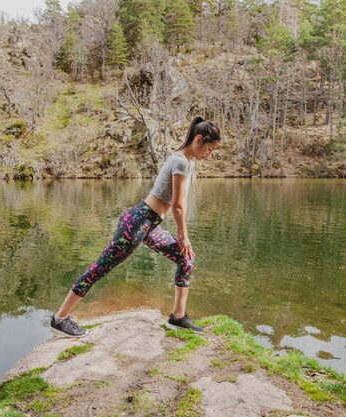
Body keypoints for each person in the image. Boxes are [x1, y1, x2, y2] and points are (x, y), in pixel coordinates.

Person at [50, 116, 221, 337]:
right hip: (137, 223)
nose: (210, 154)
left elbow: (180, 203)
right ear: (199, 139)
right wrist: (183, 236)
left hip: (149, 225)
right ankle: (59, 319)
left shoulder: (187, 162)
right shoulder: (180, 161)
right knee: (99, 269)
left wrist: (182, 238)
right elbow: (177, 206)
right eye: (210, 148)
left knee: (186, 258)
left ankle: (178, 318)